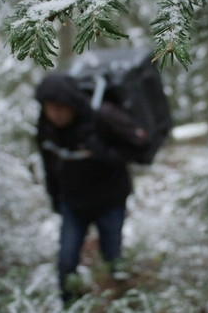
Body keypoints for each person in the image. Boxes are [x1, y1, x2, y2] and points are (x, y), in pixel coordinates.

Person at [34, 73, 149, 303]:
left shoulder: (102, 115)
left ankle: (121, 302)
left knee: (112, 259)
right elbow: (50, 164)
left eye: (60, 107)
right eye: (49, 107)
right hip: (73, 204)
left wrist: (105, 154)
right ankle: (70, 304)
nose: (55, 114)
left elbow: (140, 144)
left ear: (72, 104)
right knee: (66, 261)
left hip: (110, 202)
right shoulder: (46, 128)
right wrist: (55, 197)